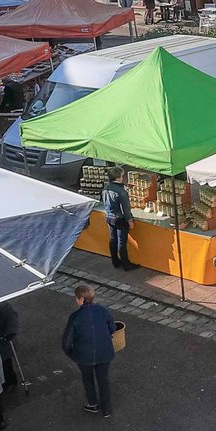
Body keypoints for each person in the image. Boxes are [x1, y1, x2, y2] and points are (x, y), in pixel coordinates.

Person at [61, 284, 117, 416]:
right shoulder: (102, 310)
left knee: (87, 379)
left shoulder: (75, 317)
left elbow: (67, 342)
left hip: (84, 356)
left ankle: (92, 403)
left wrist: (72, 354)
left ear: (80, 299)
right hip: (104, 352)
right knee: (103, 380)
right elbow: (112, 327)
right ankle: (106, 409)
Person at [100, 168, 133, 270]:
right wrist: (130, 220)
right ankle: (126, 264)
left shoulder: (106, 188)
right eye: (122, 176)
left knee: (113, 240)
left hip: (109, 217)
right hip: (120, 219)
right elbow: (125, 208)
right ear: (118, 178)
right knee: (121, 242)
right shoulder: (121, 191)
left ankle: (115, 261)